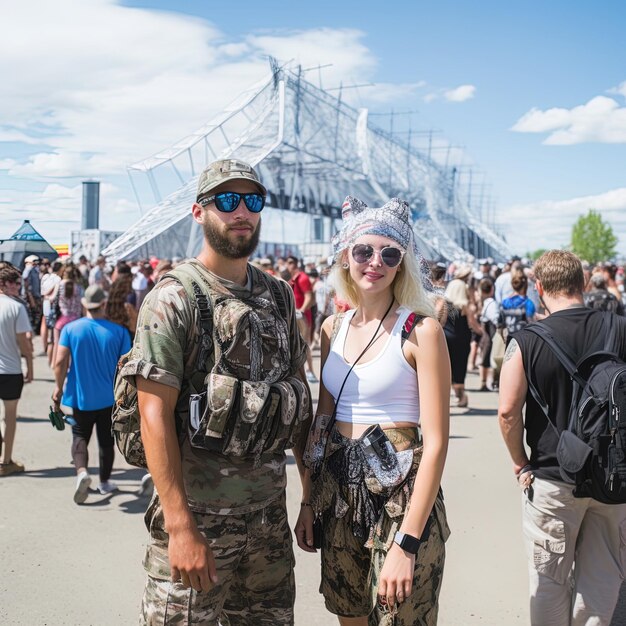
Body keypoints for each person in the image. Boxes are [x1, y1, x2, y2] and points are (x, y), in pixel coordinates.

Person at [127, 158, 310, 624]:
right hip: (199, 523)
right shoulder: (174, 298)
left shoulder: (280, 296)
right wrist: (180, 526)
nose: (241, 212)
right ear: (199, 212)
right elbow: (153, 414)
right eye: (227, 201)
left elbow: (296, 403)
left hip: (268, 521)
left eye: (252, 201)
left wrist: (309, 497)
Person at [296, 196, 451, 626]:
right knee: (350, 616)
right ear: (346, 257)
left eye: (390, 253)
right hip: (340, 493)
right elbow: (321, 426)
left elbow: (436, 444)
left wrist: (407, 543)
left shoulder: (422, 330)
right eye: (364, 251)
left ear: (403, 263)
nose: (375, 262)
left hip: (399, 498)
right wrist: (308, 500)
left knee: (398, 618)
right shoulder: (332, 327)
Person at [498, 249, 626, 625]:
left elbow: (507, 412)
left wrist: (519, 461)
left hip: (553, 477)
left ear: (539, 288)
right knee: (602, 579)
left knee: (549, 581)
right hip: (612, 476)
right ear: (583, 284)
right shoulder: (619, 328)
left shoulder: (526, 339)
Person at [52, 285, 130, 503]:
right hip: (110, 398)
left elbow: (59, 361)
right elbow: (126, 365)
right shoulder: (119, 331)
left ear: (84, 304)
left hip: (80, 397)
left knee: (79, 436)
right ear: (103, 304)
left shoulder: (70, 329)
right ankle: (105, 483)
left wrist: (58, 387)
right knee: (106, 441)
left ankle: (82, 473)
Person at [0, 265, 33, 476]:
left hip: (8, 368)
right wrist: (30, 366)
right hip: (11, 370)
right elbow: (24, 342)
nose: (19, 287)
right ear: (6, 284)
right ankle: (6, 461)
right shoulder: (16, 308)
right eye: (17, 283)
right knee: (10, 416)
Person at [443, 266, 482, 407]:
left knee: (447, 368)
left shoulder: (445, 303)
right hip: (461, 338)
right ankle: (460, 397)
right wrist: (482, 332)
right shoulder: (465, 306)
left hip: (446, 337)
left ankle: (446, 398)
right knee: (460, 367)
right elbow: (472, 321)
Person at [286, 255, 318, 383]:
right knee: (296, 347)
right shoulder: (294, 278)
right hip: (296, 316)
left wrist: (301, 311)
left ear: (295, 263)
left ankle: (310, 371)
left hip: (302, 318)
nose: (289, 265)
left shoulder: (302, 278)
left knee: (304, 346)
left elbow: (309, 297)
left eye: (291, 262)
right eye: (288, 262)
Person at [22, 254, 42, 334]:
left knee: (36, 314)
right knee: (31, 314)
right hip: (30, 297)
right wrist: (31, 299)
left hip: (35, 296)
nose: (36, 264)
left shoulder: (35, 270)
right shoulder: (28, 270)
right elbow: (27, 285)